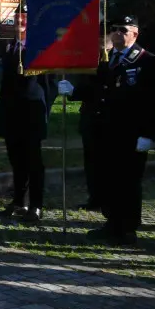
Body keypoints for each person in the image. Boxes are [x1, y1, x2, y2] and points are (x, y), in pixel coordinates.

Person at [59, 16, 155, 245]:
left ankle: (128, 228)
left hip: (132, 133)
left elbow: (154, 102)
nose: (116, 34)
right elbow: (96, 91)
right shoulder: (107, 60)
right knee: (108, 179)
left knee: (128, 181)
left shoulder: (148, 62)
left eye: (123, 30)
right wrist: (73, 92)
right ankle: (112, 223)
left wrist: (149, 133)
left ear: (135, 34)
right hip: (106, 130)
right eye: (114, 30)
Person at [0, 12, 58, 222]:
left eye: (24, 19)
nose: (20, 23)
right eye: (16, 19)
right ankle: (19, 201)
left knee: (33, 161)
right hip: (11, 112)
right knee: (16, 159)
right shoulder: (9, 46)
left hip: (32, 112)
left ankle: (36, 205)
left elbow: (50, 84)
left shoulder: (40, 47)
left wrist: (43, 110)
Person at [67, 35, 109, 210]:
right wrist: (73, 92)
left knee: (107, 163)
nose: (99, 44)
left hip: (109, 119)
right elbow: (84, 86)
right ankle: (95, 198)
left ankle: (108, 200)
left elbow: (103, 89)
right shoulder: (89, 60)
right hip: (90, 117)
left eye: (102, 40)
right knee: (91, 162)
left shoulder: (114, 60)